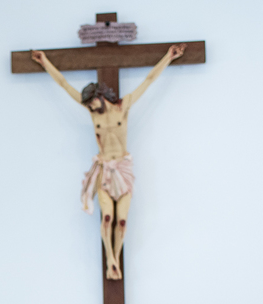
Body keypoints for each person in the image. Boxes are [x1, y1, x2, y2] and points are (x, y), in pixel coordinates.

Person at [31, 44, 186, 279]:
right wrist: (44, 62)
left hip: (122, 169)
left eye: (94, 104)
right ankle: (111, 261)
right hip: (105, 170)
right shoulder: (93, 113)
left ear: (100, 97)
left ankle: (115, 261)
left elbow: (149, 79)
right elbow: (64, 84)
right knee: (107, 217)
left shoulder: (124, 107)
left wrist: (169, 57)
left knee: (121, 222)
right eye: (90, 107)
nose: (92, 110)